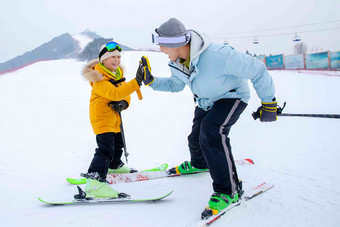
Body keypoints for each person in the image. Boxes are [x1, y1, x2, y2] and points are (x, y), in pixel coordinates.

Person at [138, 18, 277, 214]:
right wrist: (151, 81)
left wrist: (269, 102)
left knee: (211, 133)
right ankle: (199, 163)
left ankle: (228, 191)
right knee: (195, 138)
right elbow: (175, 85)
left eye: (161, 44)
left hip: (232, 96)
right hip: (206, 101)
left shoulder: (218, 55)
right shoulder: (177, 63)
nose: (160, 49)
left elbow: (257, 69)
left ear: (174, 43)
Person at [81, 41, 145, 198]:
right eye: (112, 57)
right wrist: (136, 82)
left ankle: (114, 165)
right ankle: (94, 182)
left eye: (118, 56)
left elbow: (124, 94)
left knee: (118, 143)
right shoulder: (99, 79)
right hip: (102, 118)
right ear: (103, 60)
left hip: (114, 117)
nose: (116, 60)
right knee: (105, 149)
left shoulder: (117, 75)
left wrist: (124, 103)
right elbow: (115, 94)